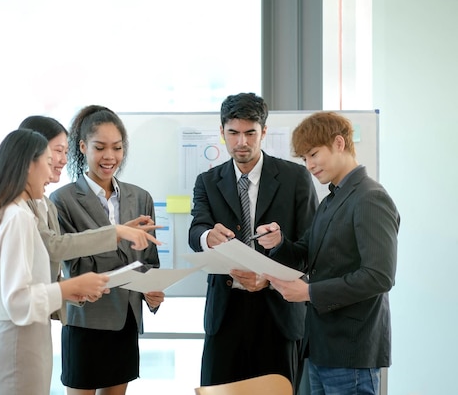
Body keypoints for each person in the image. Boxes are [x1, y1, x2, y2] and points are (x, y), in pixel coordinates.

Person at [258, 111, 400, 395]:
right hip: (321, 345)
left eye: (313, 154)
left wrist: (308, 293)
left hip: (352, 349)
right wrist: (278, 243)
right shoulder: (331, 200)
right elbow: (306, 255)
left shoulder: (370, 197)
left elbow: (379, 277)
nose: (309, 165)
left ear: (338, 143)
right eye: (304, 159)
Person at [0, 129, 110, 395]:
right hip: (16, 350)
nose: (51, 170)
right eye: (47, 160)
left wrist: (72, 289)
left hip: (17, 346)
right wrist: (69, 287)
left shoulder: (10, 213)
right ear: (28, 165)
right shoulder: (16, 217)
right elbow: (18, 300)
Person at [188, 92, 318, 390]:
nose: (241, 142)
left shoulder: (295, 177)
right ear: (222, 132)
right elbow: (196, 231)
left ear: (264, 132)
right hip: (225, 313)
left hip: (278, 314)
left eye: (250, 133)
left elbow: (309, 249)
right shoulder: (207, 181)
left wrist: (275, 259)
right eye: (233, 133)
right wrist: (209, 236)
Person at [50, 105, 165, 395]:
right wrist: (115, 238)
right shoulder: (63, 200)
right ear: (82, 147)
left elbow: (149, 261)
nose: (109, 157)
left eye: (117, 148)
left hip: (125, 319)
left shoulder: (140, 197)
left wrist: (152, 292)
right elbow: (72, 265)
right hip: (86, 321)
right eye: (100, 148)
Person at [18, 115, 162, 318]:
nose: (63, 160)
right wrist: (116, 233)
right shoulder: (35, 205)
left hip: (125, 317)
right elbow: (56, 249)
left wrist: (151, 289)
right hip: (79, 320)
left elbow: (44, 276)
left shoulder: (44, 204)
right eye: (58, 151)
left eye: (65, 152)